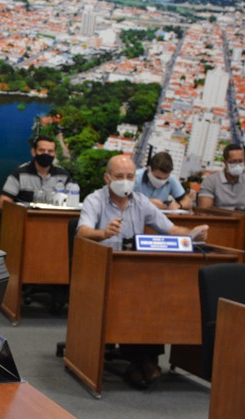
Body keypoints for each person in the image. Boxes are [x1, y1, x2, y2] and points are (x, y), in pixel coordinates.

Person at [77, 154, 208, 388]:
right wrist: (103, 233)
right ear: (107, 178)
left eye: (130, 176)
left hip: (134, 271)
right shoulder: (94, 200)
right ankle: (146, 363)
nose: (125, 181)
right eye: (120, 176)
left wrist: (192, 234)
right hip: (102, 270)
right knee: (131, 300)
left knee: (154, 297)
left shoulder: (140, 201)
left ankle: (140, 364)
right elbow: (82, 232)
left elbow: (170, 229)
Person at [0, 134, 71, 209]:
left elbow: (71, 203)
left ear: (55, 154)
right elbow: (3, 203)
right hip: (25, 215)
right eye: (42, 150)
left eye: (50, 151)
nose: (46, 154)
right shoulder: (19, 174)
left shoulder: (63, 175)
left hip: (54, 216)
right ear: (33, 152)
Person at [197, 143, 245, 210]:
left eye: (240, 161)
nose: (237, 165)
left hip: (241, 216)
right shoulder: (211, 181)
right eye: (233, 161)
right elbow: (204, 210)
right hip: (219, 215)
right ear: (225, 162)